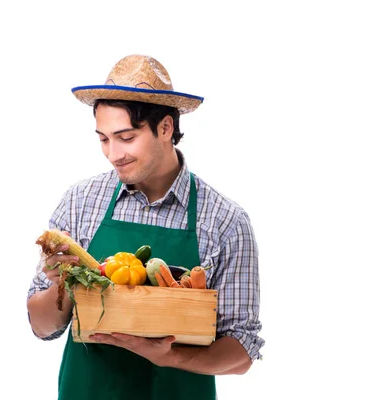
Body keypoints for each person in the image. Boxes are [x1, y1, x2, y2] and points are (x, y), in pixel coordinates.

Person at [27, 54, 264, 400]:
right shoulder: (80, 202)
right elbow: (41, 326)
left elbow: (242, 351)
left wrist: (171, 357)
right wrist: (61, 285)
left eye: (125, 137)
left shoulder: (225, 221)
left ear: (165, 128)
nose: (112, 154)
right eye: (103, 139)